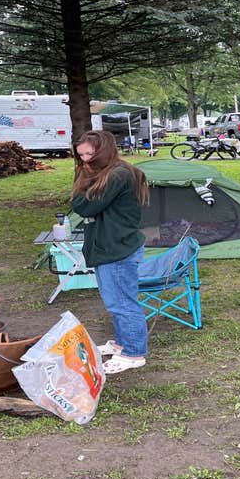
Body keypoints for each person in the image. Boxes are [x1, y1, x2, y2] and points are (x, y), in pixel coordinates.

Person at [70, 130, 151, 374]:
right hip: (114, 245)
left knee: (123, 303)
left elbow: (84, 206)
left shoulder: (117, 174)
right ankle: (122, 343)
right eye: (81, 155)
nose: (84, 160)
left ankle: (134, 353)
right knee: (115, 301)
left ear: (102, 151)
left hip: (118, 248)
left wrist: (82, 189)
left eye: (89, 154)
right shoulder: (112, 172)